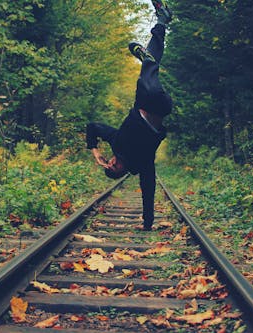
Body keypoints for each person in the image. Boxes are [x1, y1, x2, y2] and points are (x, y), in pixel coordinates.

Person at [86, 0, 173, 231]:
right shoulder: (142, 164)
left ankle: (162, 21)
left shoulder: (115, 141)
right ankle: (149, 55)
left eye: (109, 163)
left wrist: (95, 152)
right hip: (160, 106)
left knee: (148, 75)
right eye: (113, 168)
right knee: (149, 75)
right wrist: (147, 224)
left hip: (142, 99)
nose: (112, 162)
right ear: (122, 173)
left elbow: (93, 126)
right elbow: (149, 189)